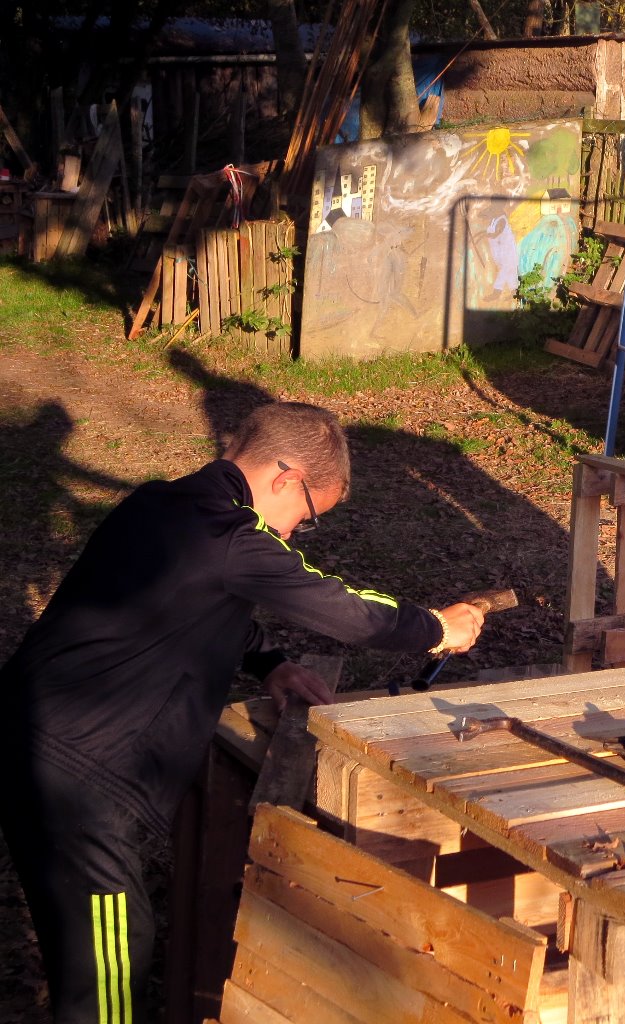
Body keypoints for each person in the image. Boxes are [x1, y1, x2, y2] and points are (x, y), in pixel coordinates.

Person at [0, 402, 489, 1024]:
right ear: (286, 479)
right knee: (110, 966)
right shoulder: (234, 536)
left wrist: (272, 665)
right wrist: (437, 628)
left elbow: (189, 607)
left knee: (85, 941)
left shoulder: (162, 503)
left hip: (33, 736)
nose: (294, 532)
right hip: (81, 776)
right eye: (308, 516)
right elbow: (348, 610)